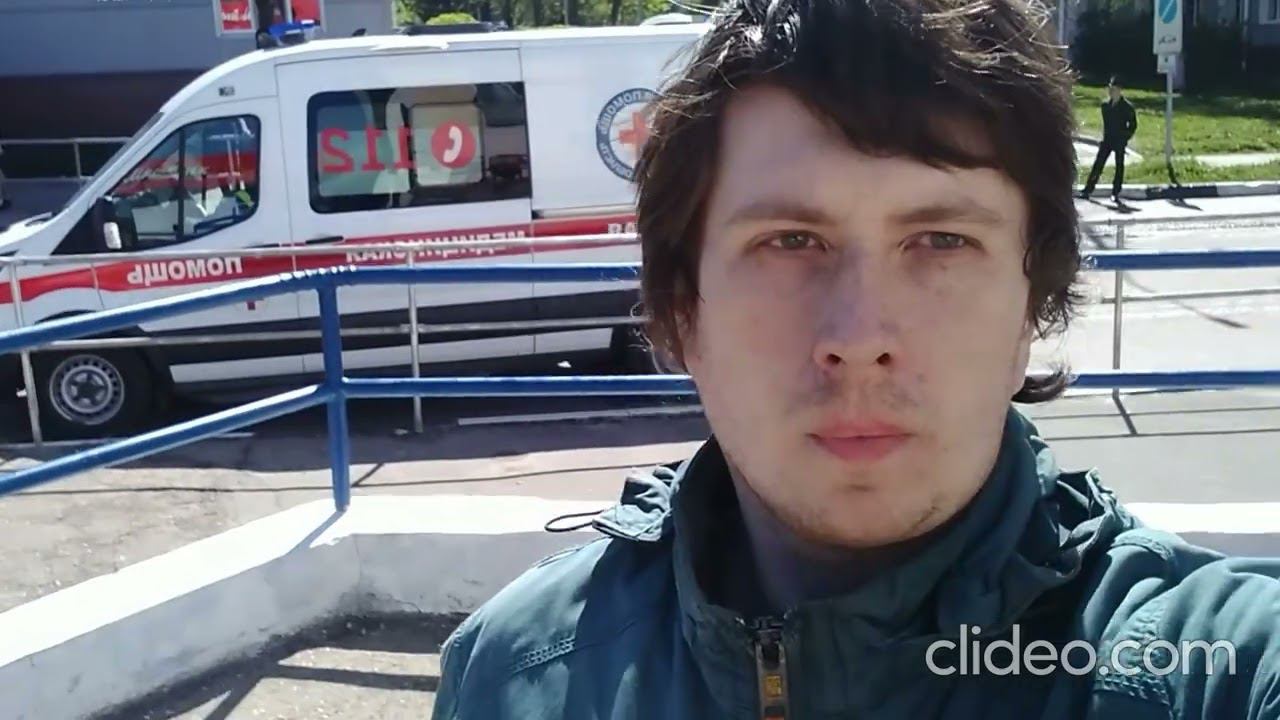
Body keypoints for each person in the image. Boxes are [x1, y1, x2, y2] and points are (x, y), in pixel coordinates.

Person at [432, 0, 1280, 717]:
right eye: (790, 241)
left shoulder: (1213, 669)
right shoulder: (513, 678)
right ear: (683, 311)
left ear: (1032, 306)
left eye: (941, 240)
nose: (861, 335)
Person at [1080, 76, 1138, 203]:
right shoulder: (1105, 106)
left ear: (1120, 90)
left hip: (1119, 141)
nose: (1111, 91)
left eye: (1114, 89)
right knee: (1098, 164)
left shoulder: (1127, 107)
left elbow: (1133, 125)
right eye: (1110, 88)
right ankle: (1088, 190)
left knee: (1119, 166)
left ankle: (1115, 192)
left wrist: (1125, 138)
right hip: (1107, 140)